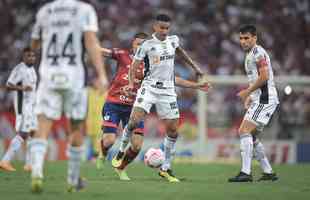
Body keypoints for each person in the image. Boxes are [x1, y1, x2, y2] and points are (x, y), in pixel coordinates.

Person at [97, 32, 209, 181]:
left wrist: (195, 86)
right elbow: (103, 52)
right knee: (109, 141)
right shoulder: (123, 55)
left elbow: (172, 79)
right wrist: (88, 44)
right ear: (132, 44)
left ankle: (121, 167)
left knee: (136, 146)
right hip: (114, 103)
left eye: (142, 45)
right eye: (137, 44)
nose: (140, 47)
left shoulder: (151, 62)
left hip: (135, 105)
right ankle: (103, 152)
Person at [30, 0, 108, 193]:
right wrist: (101, 73)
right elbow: (90, 41)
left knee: (43, 124)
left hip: (48, 74)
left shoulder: (44, 11)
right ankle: (73, 180)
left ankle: (37, 172)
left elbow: (34, 44)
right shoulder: (84, 10)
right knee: (76, 127)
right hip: (74, 76)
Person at [228, 24, 279, 182]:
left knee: (244, 131)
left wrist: (247, 92)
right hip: (260, 98)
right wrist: (251, 95)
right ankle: (268, 172)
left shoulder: (258, 53)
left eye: (246, 38)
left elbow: (264, 77)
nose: (243, 41)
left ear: (254, 38)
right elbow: (258, 78)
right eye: (241, 38)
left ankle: (246, 172)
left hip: (265, 99)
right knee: (252, 136)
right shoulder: (250, 53)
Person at [0, 47, 37, 172]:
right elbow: (8, 85)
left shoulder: (32, 69)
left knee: (32, 132)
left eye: (33, 56)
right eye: (28, 56)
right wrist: (22, 88)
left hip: (31, 106)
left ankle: (29, 164)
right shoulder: (19, 69)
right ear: (23, 57)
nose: (31, 58)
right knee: (24, 133)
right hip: (23, 107)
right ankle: (5, 160)